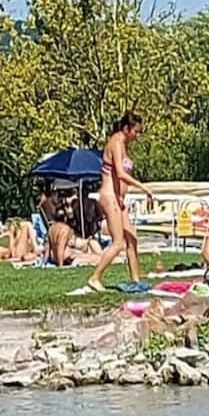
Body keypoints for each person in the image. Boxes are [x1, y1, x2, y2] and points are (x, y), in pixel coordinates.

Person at [75, 112, 154, 295]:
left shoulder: (124, 145)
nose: (137, 135)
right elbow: (119, 173)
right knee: (118, 243)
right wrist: (144, 188)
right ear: (126, 129)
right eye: (136, 131)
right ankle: (95, 278)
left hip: (118, 199)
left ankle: (135, 280)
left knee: (132, 238)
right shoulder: (116, 143)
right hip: (109, 196)